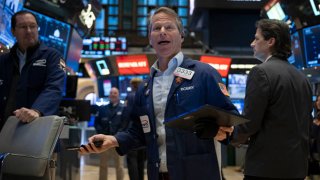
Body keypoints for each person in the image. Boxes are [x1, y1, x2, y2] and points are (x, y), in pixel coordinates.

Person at [80, 7, 236, 180]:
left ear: (181, 36)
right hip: (158, 174)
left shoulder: (204, 74)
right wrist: (113, 140)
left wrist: (219, 131)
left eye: (169, 27)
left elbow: (232, 120)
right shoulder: (145, 86)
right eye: (156, 28)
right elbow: (139, 131)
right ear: (150, 39)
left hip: (198, 173)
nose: (162, 32)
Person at [231, 19, 313, 180]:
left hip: (265, 168)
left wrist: (230, 137)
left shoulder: (260, 72)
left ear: (270, 41)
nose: (252, 43)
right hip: (297, 169)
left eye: (257, 38)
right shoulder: (302, 78)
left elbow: (250, 122)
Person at [0, 10, 65, 179]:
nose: (29, 31)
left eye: (32, 26)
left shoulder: (52, 56)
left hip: (40, 140)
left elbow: (54, 89)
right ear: (13, 31)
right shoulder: (3, 61)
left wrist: (37, 110)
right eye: (22, 27)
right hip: (7, 136)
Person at [94, 87, 125, 180]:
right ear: (109, 95)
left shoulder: (123, 109)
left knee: (119, 166)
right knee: (103, 165)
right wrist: (101, 134)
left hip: (118, 142)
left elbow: (125, 124)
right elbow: (97, 123)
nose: (113, 94)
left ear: (118, 95)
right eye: (111, 93)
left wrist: (118, 136)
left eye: (115, 93)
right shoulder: (102, 109)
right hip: (104, 142)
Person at [122, 78, 146, 180]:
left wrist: (123, 130)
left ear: (132, 85)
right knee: (141, 162)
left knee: (132, 162)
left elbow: (126, 114)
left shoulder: (130, 96)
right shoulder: (145, 95)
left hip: (132, 132)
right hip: (144, 133)